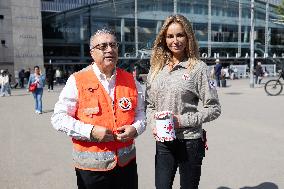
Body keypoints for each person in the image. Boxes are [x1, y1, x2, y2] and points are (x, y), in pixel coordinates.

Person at [51, 28, 146, 189]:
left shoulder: (131, 80)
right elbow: (59, 118)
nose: (109, 49)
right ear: (92, 53)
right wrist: (90, 131)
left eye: (113, 45)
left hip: (126, 165)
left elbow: (140, 114)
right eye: (103, 46)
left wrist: (135, 129)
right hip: (92, 169)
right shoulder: (77, 80)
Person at [145, 14, 221, 189]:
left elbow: (214, 108)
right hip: (163, 143)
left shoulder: (198, 68)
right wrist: (153, 124)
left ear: (188, 37)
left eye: (180, 35)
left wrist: (181, 120)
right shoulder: (156, 68)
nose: (175, 40)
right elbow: (149, 105)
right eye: (170, 36)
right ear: (164, 38)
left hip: (190, 142)